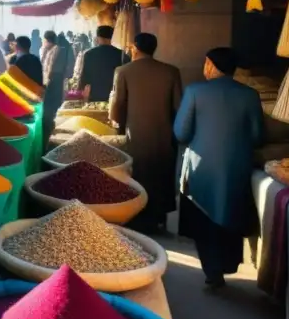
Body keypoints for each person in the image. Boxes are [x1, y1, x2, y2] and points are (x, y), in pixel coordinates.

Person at [174, 47, 264, 289]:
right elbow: (258, 136)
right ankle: (227, 263)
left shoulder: (194, 92)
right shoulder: (250, 95)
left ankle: (212, 271)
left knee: (203, 218)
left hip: (201, 169)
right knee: (230, 212)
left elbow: (181, 132)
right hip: (237, 167)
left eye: (206, 63)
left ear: (212, 66)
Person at [110, 33, 183, 233]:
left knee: (138, 174)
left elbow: (117, 106)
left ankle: (138, 216)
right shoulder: (171, 71)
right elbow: (178, 106)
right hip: (164, 133)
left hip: (136, 133)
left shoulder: (123, 71)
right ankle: (159, 217)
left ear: (134, 47)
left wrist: (120, 126)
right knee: (161, 173)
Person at [80, 25, 123, 102]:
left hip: (95, 93)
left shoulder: (89, 54)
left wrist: (83, 89)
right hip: (114, 93)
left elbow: (85, 75)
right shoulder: (120, 54)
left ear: (98, 37)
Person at [41, 31, 67, 136]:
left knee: (51, 104)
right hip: (55, 78)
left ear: (46, 40)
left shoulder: (55, 49)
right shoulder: (55, 49)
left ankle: (50, 128)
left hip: (53, 78)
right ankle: (50, 126)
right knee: (53, 104)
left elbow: (49, 66)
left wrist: (47, 79)